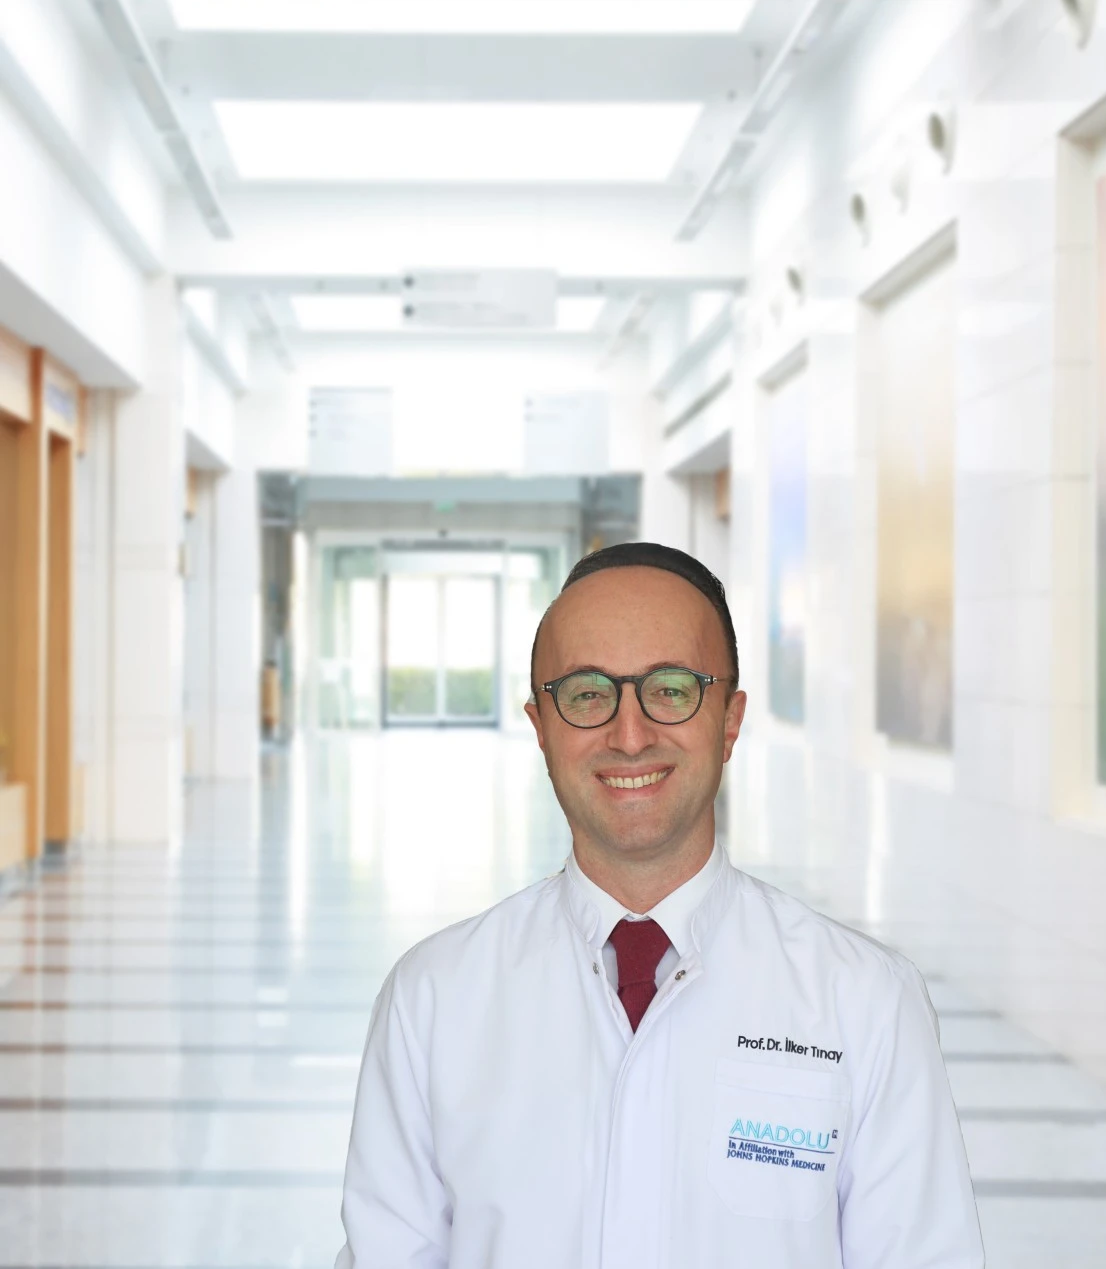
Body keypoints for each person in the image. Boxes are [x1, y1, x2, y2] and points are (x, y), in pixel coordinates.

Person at [336, 542, 984, 1268]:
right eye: (587, 693)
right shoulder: (433, 998)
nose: (630, 734)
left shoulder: (866, 1002)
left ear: (730, 719)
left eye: (672, 689)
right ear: (541, 727)